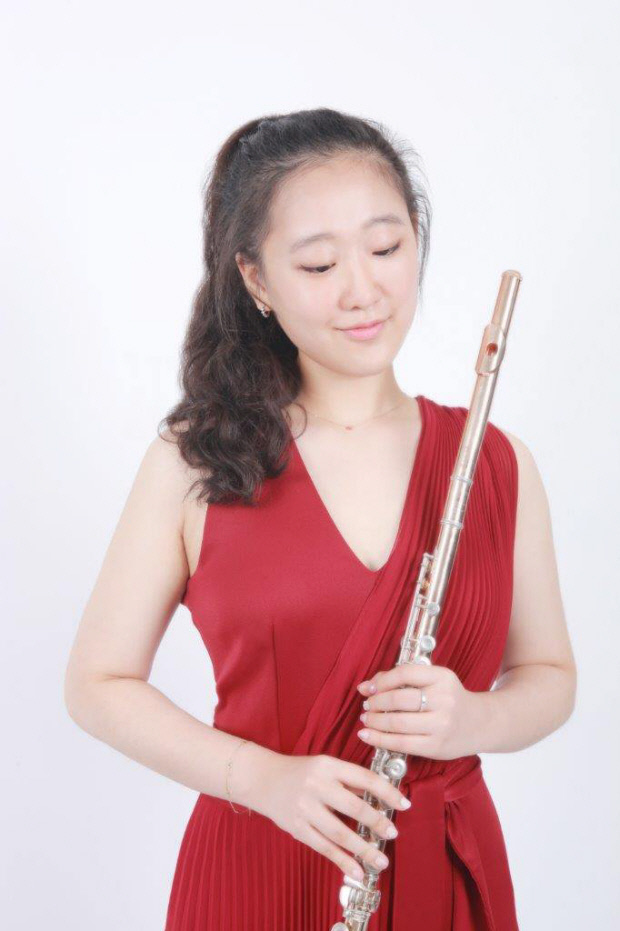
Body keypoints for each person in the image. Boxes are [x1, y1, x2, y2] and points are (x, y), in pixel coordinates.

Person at [63, 108, 577, 930]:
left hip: (443, 867)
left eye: (386, 248)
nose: (362, 290)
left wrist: (475, 718)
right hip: (255, 864)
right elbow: (96, 683)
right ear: (257, 280)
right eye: (318, 264)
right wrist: (261, 778)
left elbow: (549, 674)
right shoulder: (193, 462)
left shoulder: (497, 460)